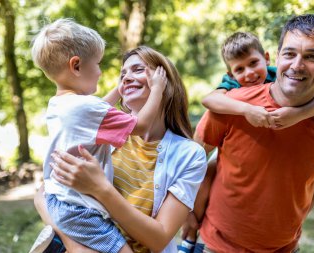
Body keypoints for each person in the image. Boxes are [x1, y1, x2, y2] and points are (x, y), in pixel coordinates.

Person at [188, 14, 314, 253]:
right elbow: (193, 159)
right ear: (277, 55)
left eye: (312, 56)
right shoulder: (231, 105)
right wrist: (188, 212)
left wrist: (305, 186)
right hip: (216, 244)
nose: (297, 65)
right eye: (289, 53)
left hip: (284, 248)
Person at [34, 46, 207, 253]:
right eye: (123, 73)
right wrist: (74, 244)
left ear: (165, 83)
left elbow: (159, 238)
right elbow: (44, 193)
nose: (126, 78)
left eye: (138, 70)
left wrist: (101, 189)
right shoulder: (98, 134)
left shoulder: (190, 155)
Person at [29, 19, 167, 253]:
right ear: (76, 66)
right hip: (79, 207)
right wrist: (157, 90)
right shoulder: (86, 108)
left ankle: (57, 243)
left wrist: (118, 90)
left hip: (58, 198)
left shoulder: (60, 104)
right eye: (98, 63)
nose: (101, 71)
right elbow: (142, 125)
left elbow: (96, 112)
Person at [202, 31, 314, 129]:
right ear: (231, 74)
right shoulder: (232, 83)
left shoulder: (279, 74)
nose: (249, 73)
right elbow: (209, 100)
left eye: (253, 63)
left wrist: (298, 114)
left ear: (266, 58)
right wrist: (246, 109)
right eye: (239, 69)